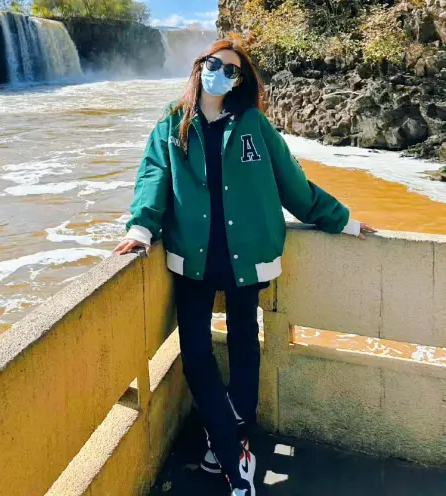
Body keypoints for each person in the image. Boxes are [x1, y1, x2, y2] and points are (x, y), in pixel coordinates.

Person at [113, 39, 375, 496]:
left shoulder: (254, 124)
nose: (221, 74)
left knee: (243, 345)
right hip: (192, 258)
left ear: (241, 81)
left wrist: (344, 221)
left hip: (246, 255)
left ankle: (232, 453)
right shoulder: (172, 124)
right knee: (194, 353)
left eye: (232, 70)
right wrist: (140, 229)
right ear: (200, 67)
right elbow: (153, 177)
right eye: (215, 64)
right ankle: (235, 447)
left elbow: (294, 185)